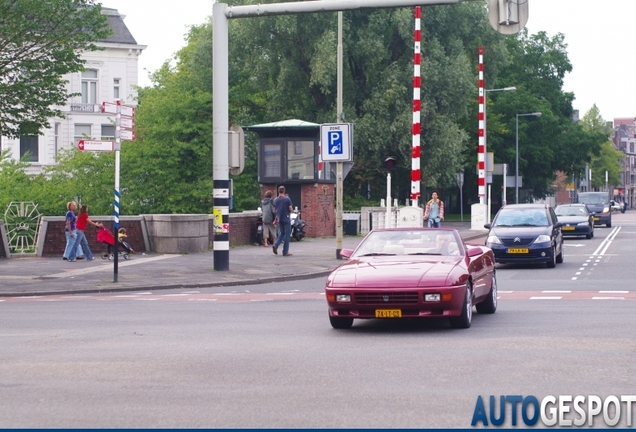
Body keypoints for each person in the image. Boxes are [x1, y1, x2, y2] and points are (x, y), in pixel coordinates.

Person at [272, 185, 293, 257]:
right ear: (284, 191)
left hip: (279, 219)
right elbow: (290, 209)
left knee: (282, 233)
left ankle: (276, 244)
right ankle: (285, 251)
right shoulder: (287, 199)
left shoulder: (275, 200)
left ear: (278, 191)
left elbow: (275, 210)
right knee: (287, 234)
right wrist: (291, 211)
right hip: (286, 218)